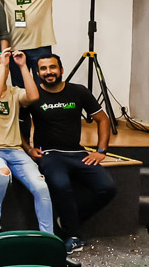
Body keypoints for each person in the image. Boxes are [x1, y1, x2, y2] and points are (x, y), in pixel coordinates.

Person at [23, 54, 117, 253]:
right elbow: (16, 125)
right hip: (49, 154)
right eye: (44, 69)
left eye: (52, 67)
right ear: (37, 73)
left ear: (61, 69)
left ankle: (67, 221)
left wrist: (101, 150)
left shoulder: (78, 91)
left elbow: (103, 119)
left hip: (77, 152)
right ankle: (73, 235)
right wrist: (28, 148)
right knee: (61, 184)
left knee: (107, 188)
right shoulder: (32, 95)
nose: (48, 72)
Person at [0, 49, 50, 237]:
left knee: (41, 187)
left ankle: (49, 237)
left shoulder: (15, 92)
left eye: (1, 65)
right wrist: (4, 63)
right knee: (2, 174)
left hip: (15, 150)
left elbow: (33, 97)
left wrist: (22, 66)